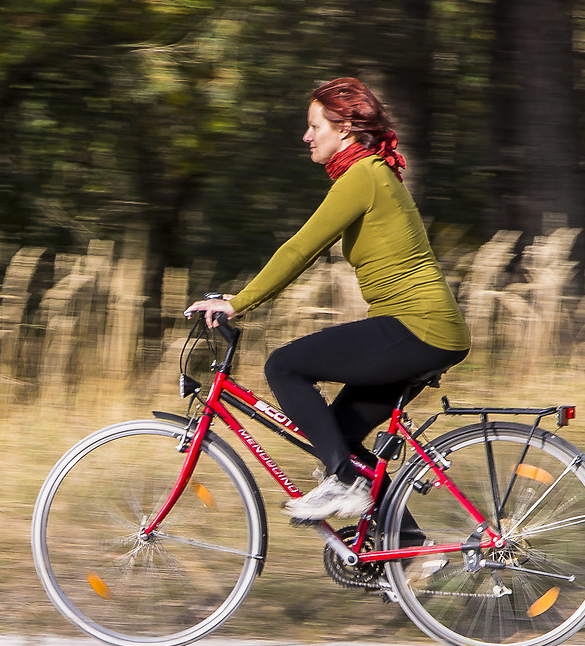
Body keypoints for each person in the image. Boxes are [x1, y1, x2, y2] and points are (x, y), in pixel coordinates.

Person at [184, 78, 470, 525]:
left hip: (418, 326)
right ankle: (412, 552)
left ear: (346, 129)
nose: (306, 135)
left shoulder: (364, 176)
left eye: (314, 125)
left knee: (284, 366)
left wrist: (238, 303)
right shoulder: (370, 174)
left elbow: (301, 248)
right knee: (339, 436)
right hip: (423, 329)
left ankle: (341, 481)